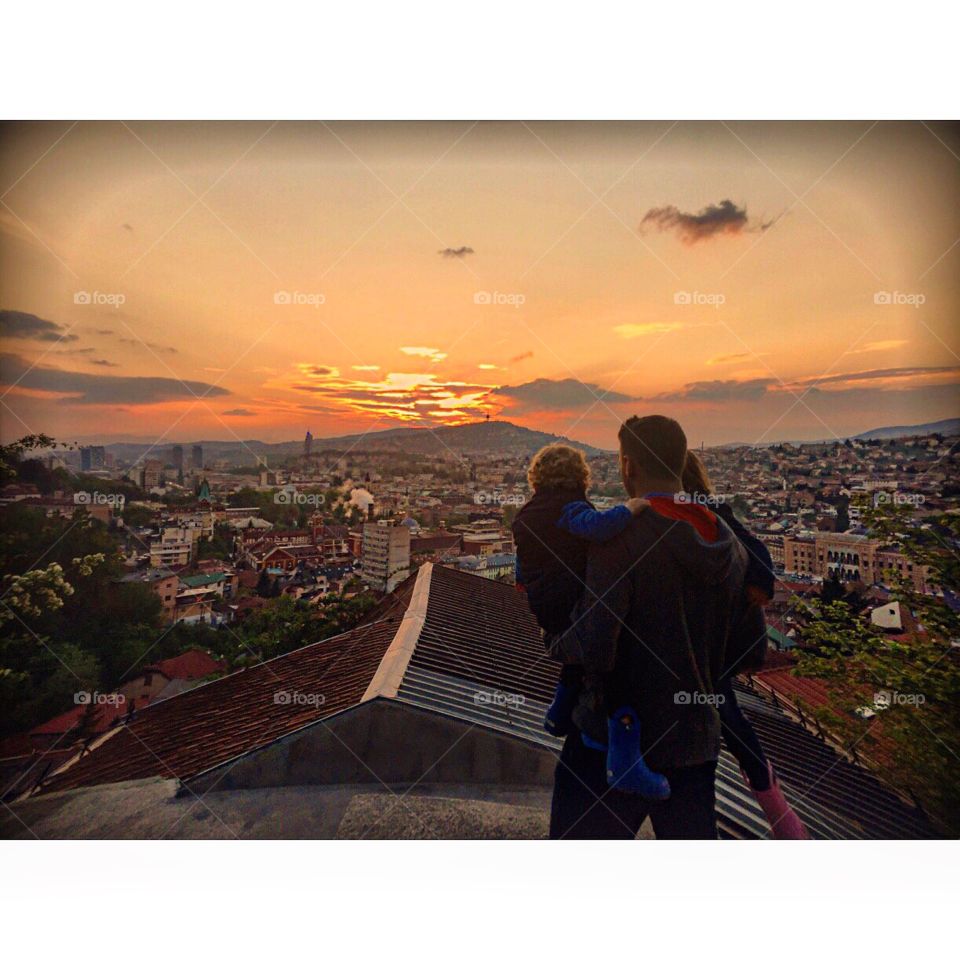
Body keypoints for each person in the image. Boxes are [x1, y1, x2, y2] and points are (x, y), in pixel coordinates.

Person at [548, 415, 763, 839]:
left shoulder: (621, 540)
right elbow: (751, 651)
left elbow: (594, 645)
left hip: (608, 745)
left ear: (628, 466)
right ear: (681, 461)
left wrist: (555, 639)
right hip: (696, 746)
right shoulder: (729, 545)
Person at [512, 444, 669, 798]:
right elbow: (597, 528)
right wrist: (630, 508)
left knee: (577, 655)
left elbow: (522, 567)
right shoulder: (568, 508)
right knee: (613, 661)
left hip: (547, 612)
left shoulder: (526, 515)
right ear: (578, 477)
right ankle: (624, 761)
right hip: (571, 607)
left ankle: (559, 711)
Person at [681, 451, 809, 839]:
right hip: (714, 644)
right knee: (725, 713)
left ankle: (773, 815)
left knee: (717, 710)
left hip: (703, 642)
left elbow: (758, 552)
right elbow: (758, 554)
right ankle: (777, 810)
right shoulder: (708, 511)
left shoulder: (699, 513)